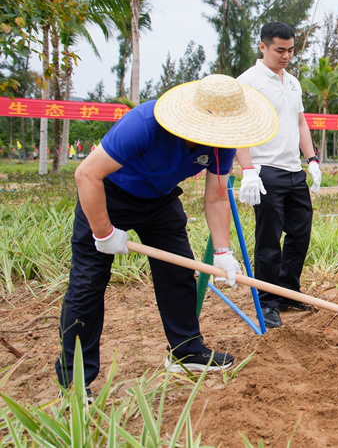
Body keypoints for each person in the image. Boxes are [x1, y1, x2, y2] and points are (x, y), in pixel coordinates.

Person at [56, 74, 278, 398]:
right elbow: (86, 174)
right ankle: (74, 383)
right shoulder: (145, 123)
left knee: (178, 271)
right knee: (88, 283)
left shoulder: (221, 143)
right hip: (108, 195)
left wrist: (222, 252)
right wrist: (103, 233)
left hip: (159, 201)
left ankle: (185, 352)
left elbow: (217, 195)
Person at [236, 22, 323, 329]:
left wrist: (311, 159)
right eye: (279, 50)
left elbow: (300, 123)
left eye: (290, 50)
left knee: (300, 234)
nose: (286, 56)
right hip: (265, 171)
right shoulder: (248, 82)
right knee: (269, 239)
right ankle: (267, 300)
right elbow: (238, 128)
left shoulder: (293, 83)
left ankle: (287, 290)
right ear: (263, 47)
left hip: (292, 170)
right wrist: (247, 170)